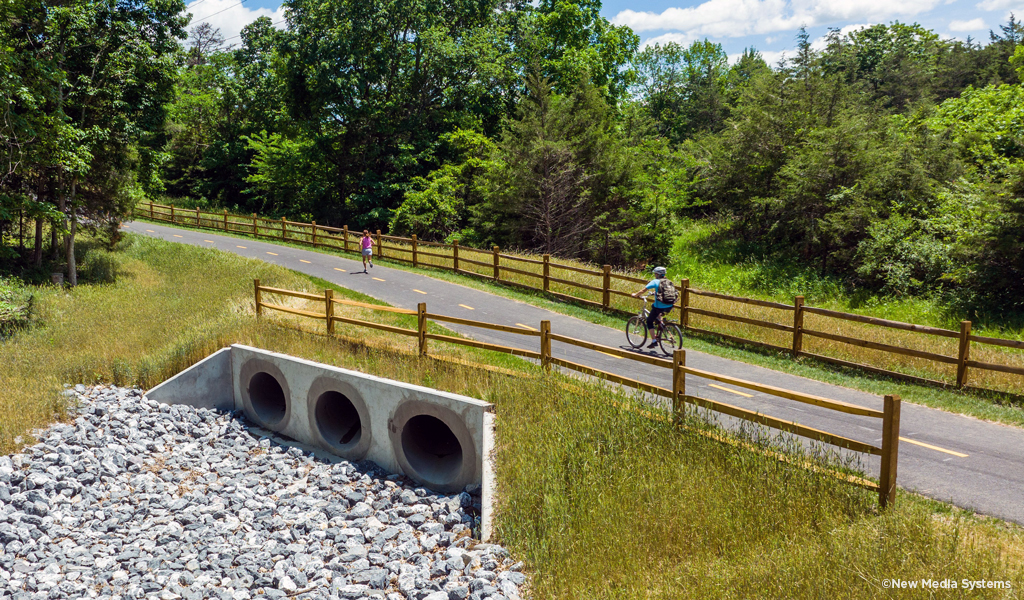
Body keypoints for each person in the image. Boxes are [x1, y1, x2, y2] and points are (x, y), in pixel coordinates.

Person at [632, 266, 676, 349]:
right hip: (670, 305)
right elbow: (664, 291)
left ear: (657, 274)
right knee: (654, 307)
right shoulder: (668, 281)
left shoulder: (655, 281)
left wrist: (635, 295)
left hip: (659, 306)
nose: (654, 275)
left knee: (649, 321)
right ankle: (661, 325)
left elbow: (643, 291)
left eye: (655, 273)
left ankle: (654, 341)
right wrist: (654, 293)